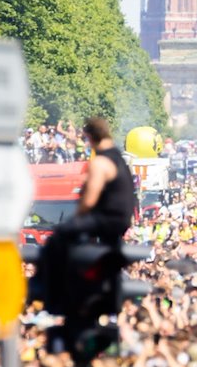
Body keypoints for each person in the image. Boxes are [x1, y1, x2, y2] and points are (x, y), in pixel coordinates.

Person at [38, 117, 136, 316]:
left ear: (90, 137)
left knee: (58, 236)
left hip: (106, 219)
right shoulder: (119, 158)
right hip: (120, 221)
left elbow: (89, 201)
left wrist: (76, 217)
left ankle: (47, 290)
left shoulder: (100, 162)